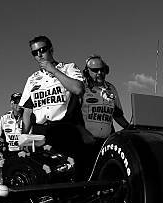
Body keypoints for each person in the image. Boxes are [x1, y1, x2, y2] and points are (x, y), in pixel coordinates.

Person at [18, 35, 88, 178]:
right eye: (35, 52)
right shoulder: (32, 79)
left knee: (71, 174)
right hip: (41, 132)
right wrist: (23, 137)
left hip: (65, 129)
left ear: (51, 49)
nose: (39, 55)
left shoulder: (69, 67)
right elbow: (27, 111)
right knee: (44, 175)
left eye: (42, 50)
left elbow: (78, 89)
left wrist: (54, 71)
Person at [81, 55, 130, 142]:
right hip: (85, 141)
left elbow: (117, 114)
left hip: (105, 140)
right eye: (95, 70)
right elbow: (73, 116)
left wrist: (130, 127)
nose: (99, 73)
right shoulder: (81, 87)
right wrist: (83, 133)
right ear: (86, 71)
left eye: (102, 69)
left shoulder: (111, 88)